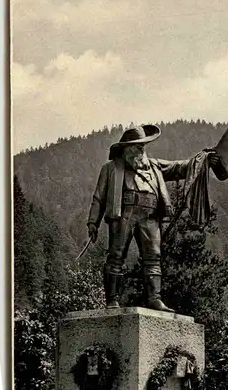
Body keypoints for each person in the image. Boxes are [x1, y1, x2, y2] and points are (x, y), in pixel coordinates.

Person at [87, 124, 220, 313]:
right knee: (116, 256)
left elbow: (179, 168)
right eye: (136, 146)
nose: (141, 150)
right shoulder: (110, 168)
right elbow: (98, 197)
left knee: (153, 258)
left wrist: (203, 159)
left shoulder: (155, 166)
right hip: (123, 214)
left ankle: (154, 299)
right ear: (125, 148)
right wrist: (93, 221)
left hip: (150, 215)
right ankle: (112, 300)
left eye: (143, 146)